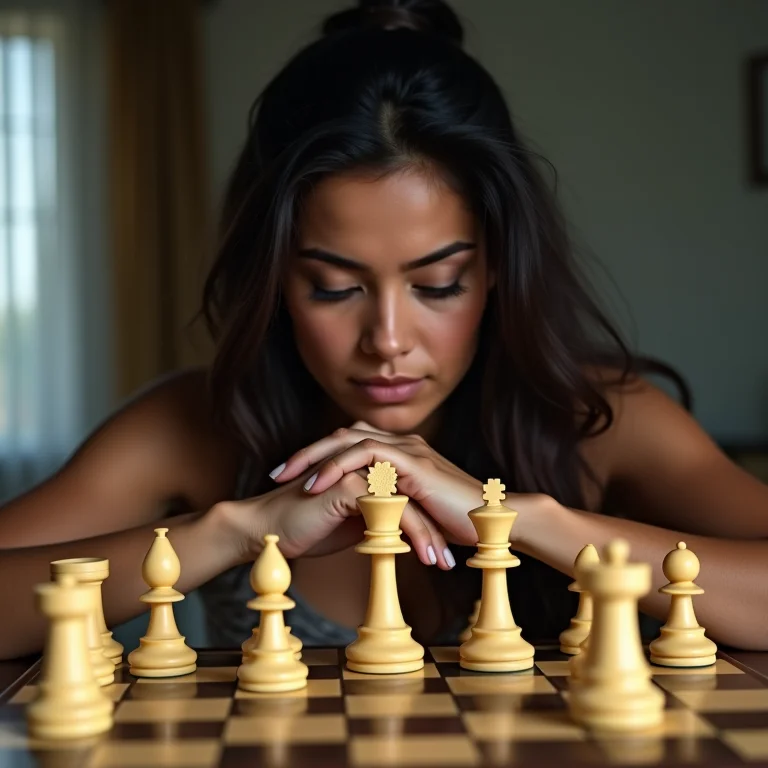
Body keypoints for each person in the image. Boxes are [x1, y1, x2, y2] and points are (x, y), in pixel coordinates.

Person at [1, 0, 767, 661]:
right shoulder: (194, 426)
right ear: (274, 278)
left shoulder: (604, 418)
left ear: (498, 267)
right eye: (334, 287)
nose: (389, 340)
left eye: (439, 284)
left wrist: (518, 521)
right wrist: (234, 530)